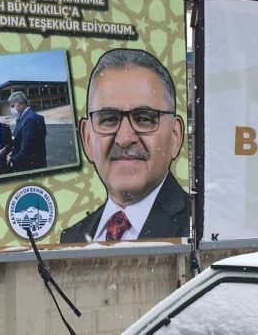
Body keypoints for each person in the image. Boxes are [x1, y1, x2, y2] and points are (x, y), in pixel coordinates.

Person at [59, 48, 189, 243]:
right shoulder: (71, 238)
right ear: (87, 139)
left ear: (175, 136)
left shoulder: (200, 228)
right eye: (109, 119)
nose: (124, 138)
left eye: (144, 118)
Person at [7, 91, 47, 171]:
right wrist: (12, 153)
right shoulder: (23, 117)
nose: (11, 110)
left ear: (21, 104)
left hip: (30, 166)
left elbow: (27, 149)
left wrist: (12, 159)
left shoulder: (30, 119)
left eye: (13, 106)